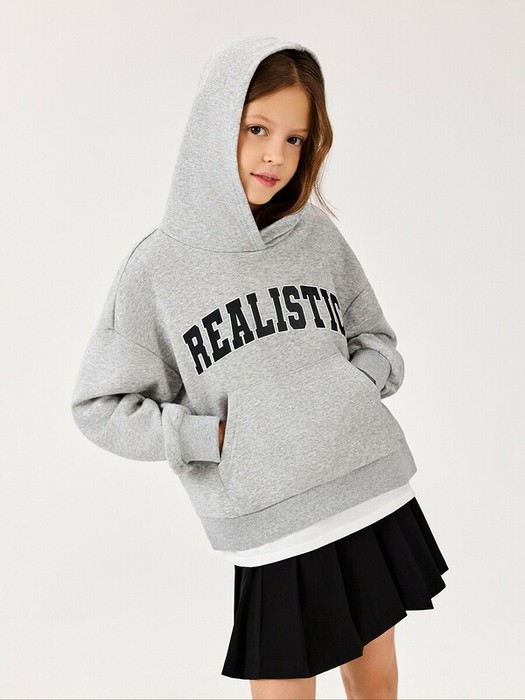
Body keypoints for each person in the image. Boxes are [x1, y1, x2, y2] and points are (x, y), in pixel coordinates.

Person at [71, 35, 449, 700]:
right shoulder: (158, 268)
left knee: (376, 672)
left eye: (295, 139)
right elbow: (99, 408)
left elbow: (375, 337)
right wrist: (209, 437)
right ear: (214, 125)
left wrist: (349, 389)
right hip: (269, 520)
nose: (276, 154)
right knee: (282, 683)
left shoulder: (314, 235)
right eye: (257, 129)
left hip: (367, 486)